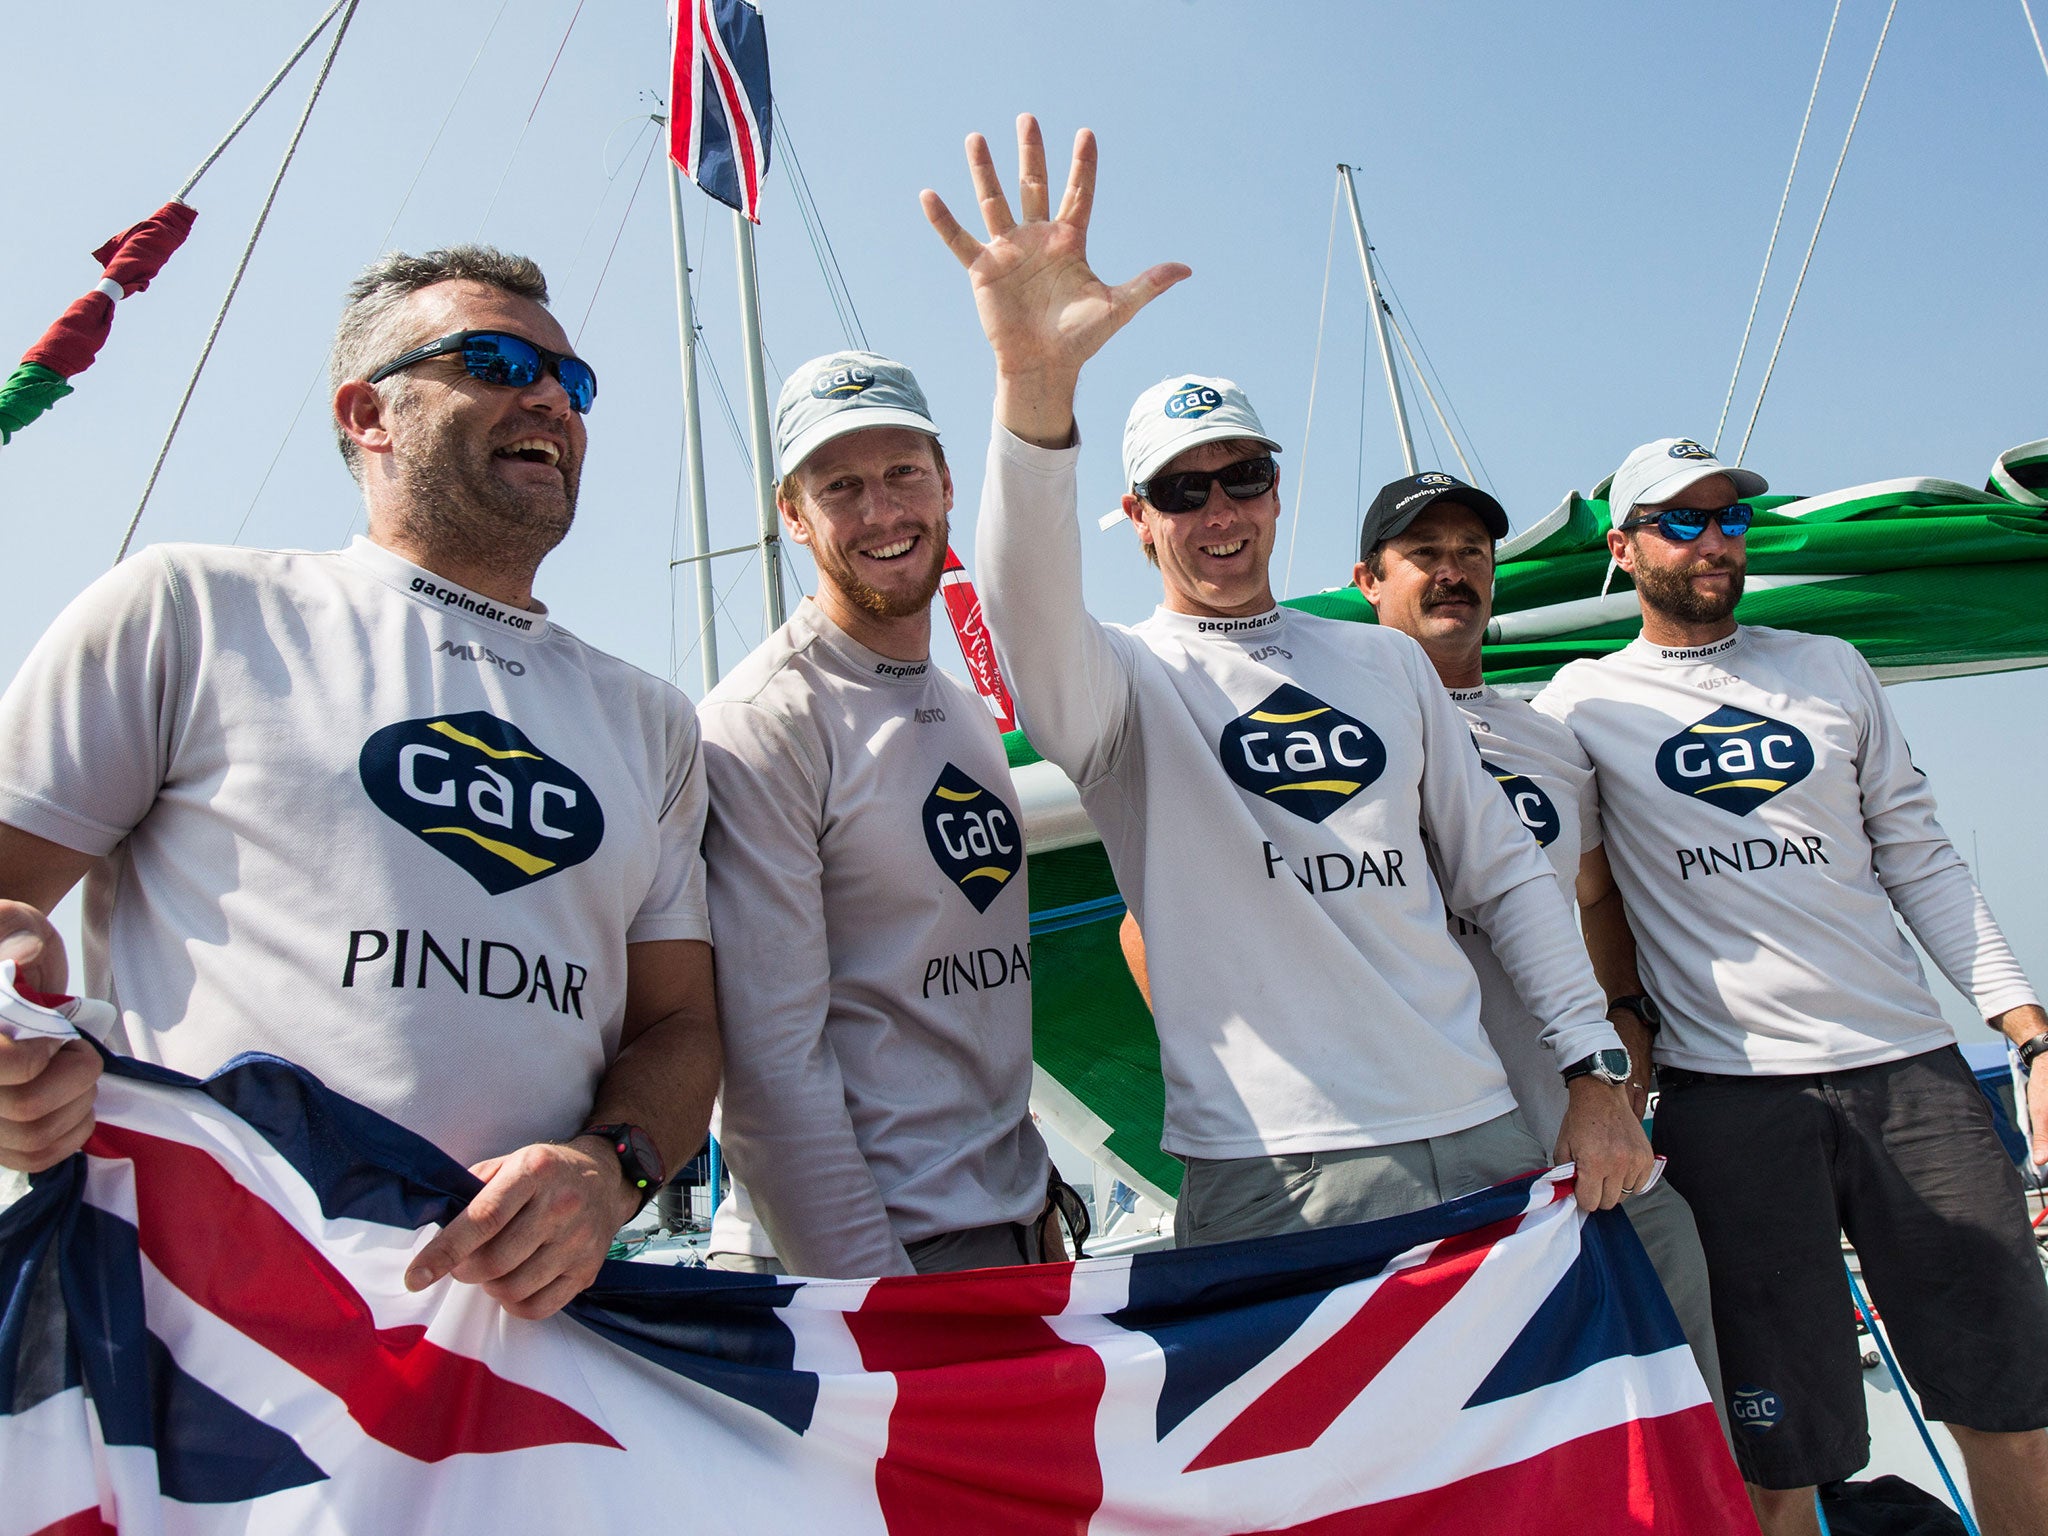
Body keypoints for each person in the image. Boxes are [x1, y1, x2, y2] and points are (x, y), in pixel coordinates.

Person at [923, 116, 1651, 1249]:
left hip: (1482, 1134)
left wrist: (1593, 1070)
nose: (1217, 511)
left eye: (1241, 476)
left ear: (1273, 489)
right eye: (1180, 491)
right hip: (1273, 1170)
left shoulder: (1381, 661)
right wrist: (1030, 390)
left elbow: (1508, 875)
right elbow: (1019, 609)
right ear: (1136, 522)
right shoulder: (1120, 685)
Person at [0, 245, 721, 1321]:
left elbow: (680, 1028)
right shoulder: (189, 612)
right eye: (493, 360)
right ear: (367, 413)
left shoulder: (648, 719)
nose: (548, 400)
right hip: (211, 1346)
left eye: (571, 384)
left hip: (533, 1363)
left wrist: (607, 1170)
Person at [1537, 436, 2048, 1535]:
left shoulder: (1827, 667)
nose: (1714, 540)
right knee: (1778, 1449)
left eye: (1729, 518)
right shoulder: (1578, 703)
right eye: (1680, 521)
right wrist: (1609, 1043)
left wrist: (2026, 1030)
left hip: (1910, 1076)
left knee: (2009, 1408)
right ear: (1623, 549)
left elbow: (1917, 854)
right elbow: (1579, 895)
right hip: (1730, 1098)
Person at [1347, 469, 1725, 1422]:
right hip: (1427, 1168)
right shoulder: (1335, 733)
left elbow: (1593, 894)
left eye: (1470, 554)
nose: (1451, 572)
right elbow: (1149, 934)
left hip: (1585, 1141)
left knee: (1680, 1409)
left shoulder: (1550, 739)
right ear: (1367, 581)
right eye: (1423, 554)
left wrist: (1627, 1026)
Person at [698, 350, 1056, 1279]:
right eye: (841, 486)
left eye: (903, 473)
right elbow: (768, 1070)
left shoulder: (964, 706)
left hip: (1004, 1226)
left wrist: (1035, 1196)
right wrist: (881, 1308)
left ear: (944, 483)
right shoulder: (765, 719)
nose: (882, 513)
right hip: (865, 1260)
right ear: (794, 514)